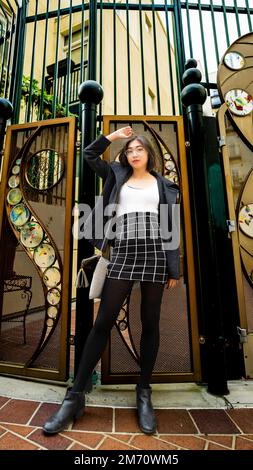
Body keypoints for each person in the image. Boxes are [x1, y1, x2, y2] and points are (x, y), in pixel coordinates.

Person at [43, 126, 180, 436]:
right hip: (122, 252)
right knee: (103, 321)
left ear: (149, 154)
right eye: (129, 150)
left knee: (150, 322)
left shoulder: (166, 186)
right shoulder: (117, 174)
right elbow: (89, 155)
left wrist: (174, 269)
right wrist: (113, 136)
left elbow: (171, 229)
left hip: (155, 255)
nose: (133, 154)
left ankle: (143, 392)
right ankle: (75, 395)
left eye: (139, 150)